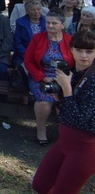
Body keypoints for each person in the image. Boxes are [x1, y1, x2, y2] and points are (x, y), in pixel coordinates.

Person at [32, 30, 95, 193]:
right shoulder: (69, 71)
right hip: (65, 139)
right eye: (79, 50)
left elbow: (78, 119)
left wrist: (67, 89)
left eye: (89, 51)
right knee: (40, 185)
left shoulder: (92, 78)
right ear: (71, 49)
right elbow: (65, 111)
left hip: (86, 147)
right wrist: (58, 96)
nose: (84, 56)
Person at [24, 9, 74, 145]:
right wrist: (42, 77)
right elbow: (28, 61)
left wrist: (66, 79)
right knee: (44, 101)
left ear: (62, 25)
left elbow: (75, 63)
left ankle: (64, 134)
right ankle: (41, 131)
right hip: (41, 75)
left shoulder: (70, 40)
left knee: (64, 102)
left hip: (63, 77)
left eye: (54, 23)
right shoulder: (38, 39)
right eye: (48, 23)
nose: (50, 26)